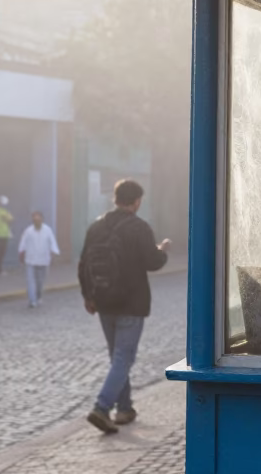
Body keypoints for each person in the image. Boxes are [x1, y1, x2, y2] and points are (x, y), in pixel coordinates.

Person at [78, 179, 170, 434]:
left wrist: (88, 295)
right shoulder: (139, 228)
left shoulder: (96, 227)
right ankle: (102, 407)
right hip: (131, 302)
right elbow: (153, 262)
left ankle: (125, 408)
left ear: (115, 199)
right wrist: (162, 250)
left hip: (103, 302)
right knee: (123, 358)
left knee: (118, 357)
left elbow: (83, 262)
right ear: (137, 201)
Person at [18, 211, 60, 309]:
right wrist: (21, 252)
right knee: (30, 281)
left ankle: (38, 296)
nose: (36, 221)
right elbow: (23, 243)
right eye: (34, 219)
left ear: (42, 220)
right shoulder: (28, 231)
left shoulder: (47, 230)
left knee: (40, 281)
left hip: (43, 260)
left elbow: (52, 242)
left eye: (38, 219)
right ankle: (32, 300)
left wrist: (55, 253)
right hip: (30, 259)